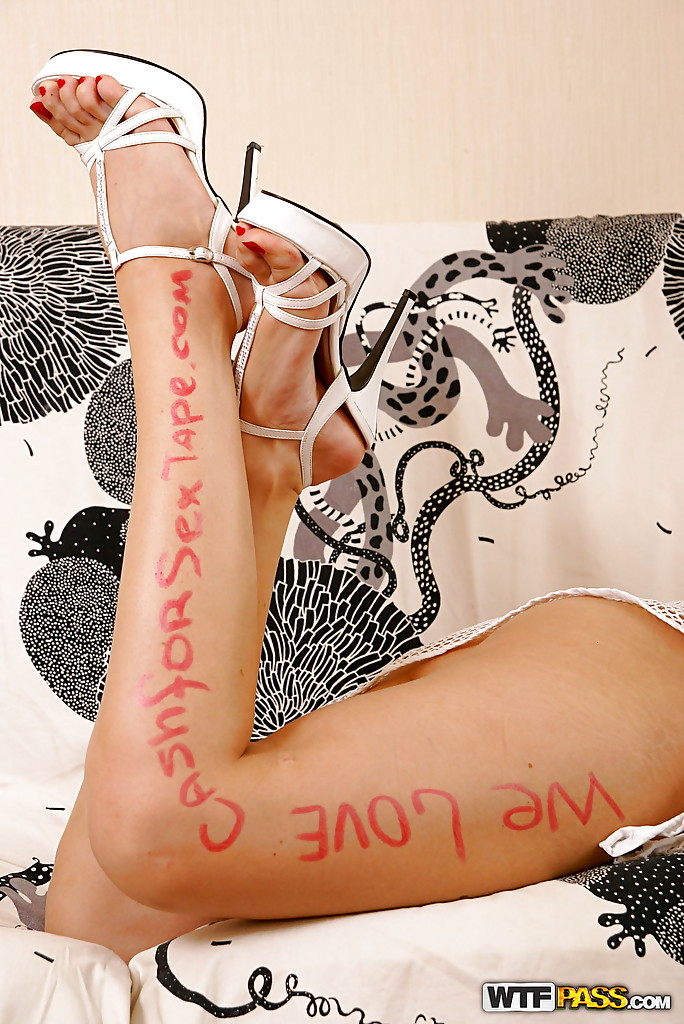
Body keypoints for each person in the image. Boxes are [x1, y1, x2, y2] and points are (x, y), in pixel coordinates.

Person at [28, 52, 684, 964]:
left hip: (594, 691)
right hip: (653, 691)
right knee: (166, 826)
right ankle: (176, 298)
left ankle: (273, 454)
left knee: (100, 924)